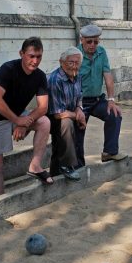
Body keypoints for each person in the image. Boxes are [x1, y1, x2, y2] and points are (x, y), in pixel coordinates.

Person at [0, 37, 53, 196]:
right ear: (22, 53)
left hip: (16, 116)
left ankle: (35, 166)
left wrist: (23, 123)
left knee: (44, 122)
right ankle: (0, 197)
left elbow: (43, 107)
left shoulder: (39, 76)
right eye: (31, 56)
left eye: (38, 56)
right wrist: (18, 120)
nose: (35, 61)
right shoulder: (8, 69)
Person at [76, 24, 127, 166]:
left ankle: (109, 152)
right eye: (89, 41)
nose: (93, 45)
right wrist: (77, 106)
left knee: (115, 115)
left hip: (97, 100)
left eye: (96, 41)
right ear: (82, 40)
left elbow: (108, 76)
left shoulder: (101, 52)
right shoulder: (75, 55)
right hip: (80, 102)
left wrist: (111, 100)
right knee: (78, 131)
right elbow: (72, 81)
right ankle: (78, 165)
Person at [47, 47, 87, 181]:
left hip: (69, 114)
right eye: (71, 62)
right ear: (61, 62)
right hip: (52, 119)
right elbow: (58, 114)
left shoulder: (77, 76)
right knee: (66, 123)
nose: (74, 66)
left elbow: (79, 97)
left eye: (77, 63)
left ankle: (56, 172)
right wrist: (78, 116)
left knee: (70, 132)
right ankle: (67, 165)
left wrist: (79, 109)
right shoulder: (55, 79)